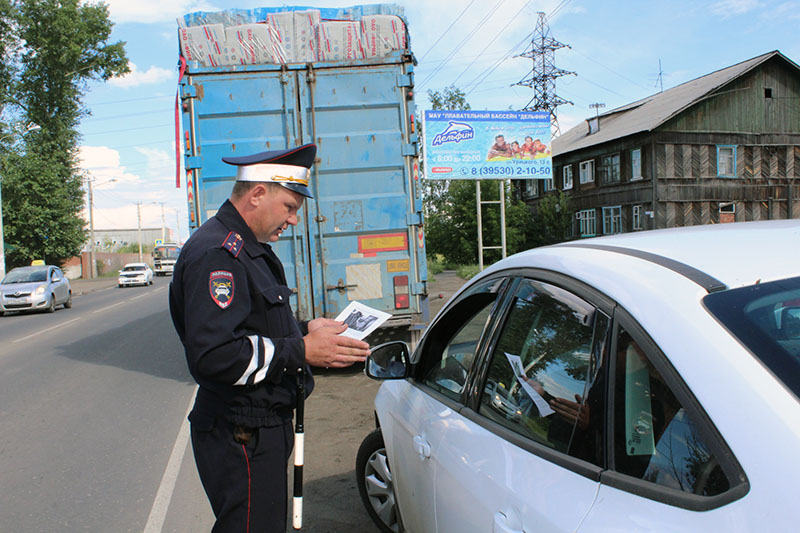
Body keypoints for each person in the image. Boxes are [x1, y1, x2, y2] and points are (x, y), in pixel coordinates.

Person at [169, 143, 371, 533]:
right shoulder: (218, 255)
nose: (294, 220)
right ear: (258, 194)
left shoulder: (246, 248)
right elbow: (215, 355)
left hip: (259, 427)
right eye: (290, 207)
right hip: (241, 432)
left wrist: (304, 330)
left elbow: (254, 325)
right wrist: (301, 350)